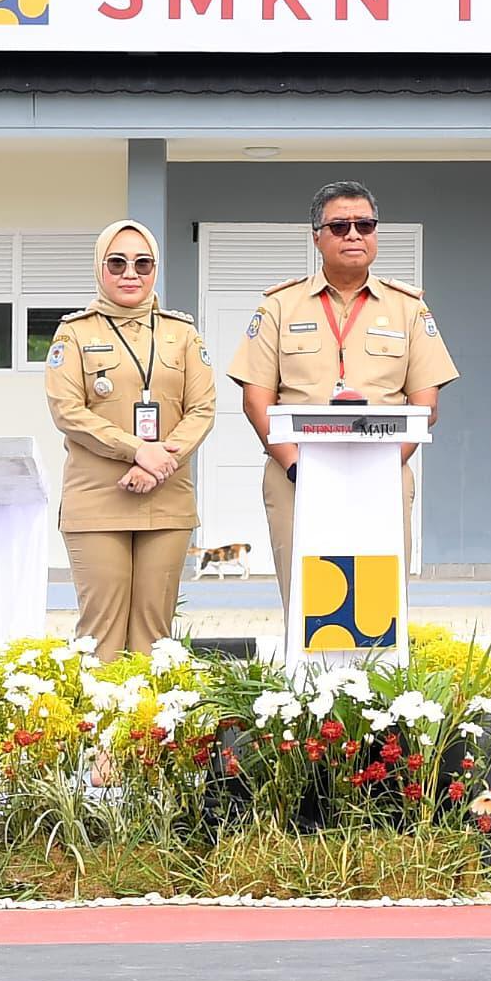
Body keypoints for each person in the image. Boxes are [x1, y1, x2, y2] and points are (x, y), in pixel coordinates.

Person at [232, 180, 457, 620]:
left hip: (383, 475)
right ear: (316, 236)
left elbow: (425, 405)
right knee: (306, 607)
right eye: (339, 227)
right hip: (295, 475)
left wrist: (379, 466)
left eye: (365, 224)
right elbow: (256, 399)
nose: (354, 235)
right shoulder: (280, 306)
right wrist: (300, 468)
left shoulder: (408, 308)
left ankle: (375, 689)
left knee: (378, 607)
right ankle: (305, 690)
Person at [45, 218, 214, 660]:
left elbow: (202, 410)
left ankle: (149, 729)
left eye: (143, 263)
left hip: (167, 497)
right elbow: (68, 411)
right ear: (99, 268)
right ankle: (97, 730)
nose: (130, 274)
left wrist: (159, 462)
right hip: (99, 499)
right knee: (100, 637)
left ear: (156, 269)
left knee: (153, 638)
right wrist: (138, 450)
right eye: (116, 263)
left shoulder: (182, 334)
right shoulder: (75, 334)